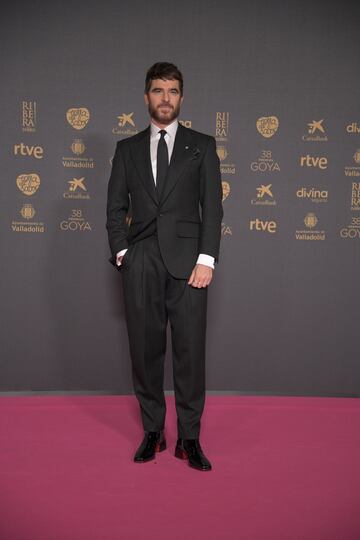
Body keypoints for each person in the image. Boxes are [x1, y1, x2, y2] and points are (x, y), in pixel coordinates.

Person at [106, 62, 223, 471]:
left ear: (181, 98)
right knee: (145, 351)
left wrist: (207, 259)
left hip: (190, 265)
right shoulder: (127, 149)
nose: (166, 98)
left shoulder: (202, 145)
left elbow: (213, 209)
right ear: (146, 97)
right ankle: (153, 432)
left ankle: (189, 439)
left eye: (173, 91)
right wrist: (124, 253)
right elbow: (115, 207)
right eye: (158, 90)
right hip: (141, 261)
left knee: (190, 354)